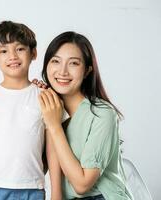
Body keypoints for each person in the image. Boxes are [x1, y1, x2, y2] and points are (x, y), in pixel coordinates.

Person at [0, 21, 61, 200]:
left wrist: (56, 193)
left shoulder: (45, 97)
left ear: (33, 53)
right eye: (3, 51)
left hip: (32, 188)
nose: (12, 56)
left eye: (20, 49)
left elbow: (52, 150)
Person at [38, 31, 133, 199]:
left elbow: (82, 184)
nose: (63, 71)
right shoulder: (48, 108)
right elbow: (34, 167)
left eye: (73, 63)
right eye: (55, 61)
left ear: (87, 70)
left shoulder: (103, 114)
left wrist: (54, 125)